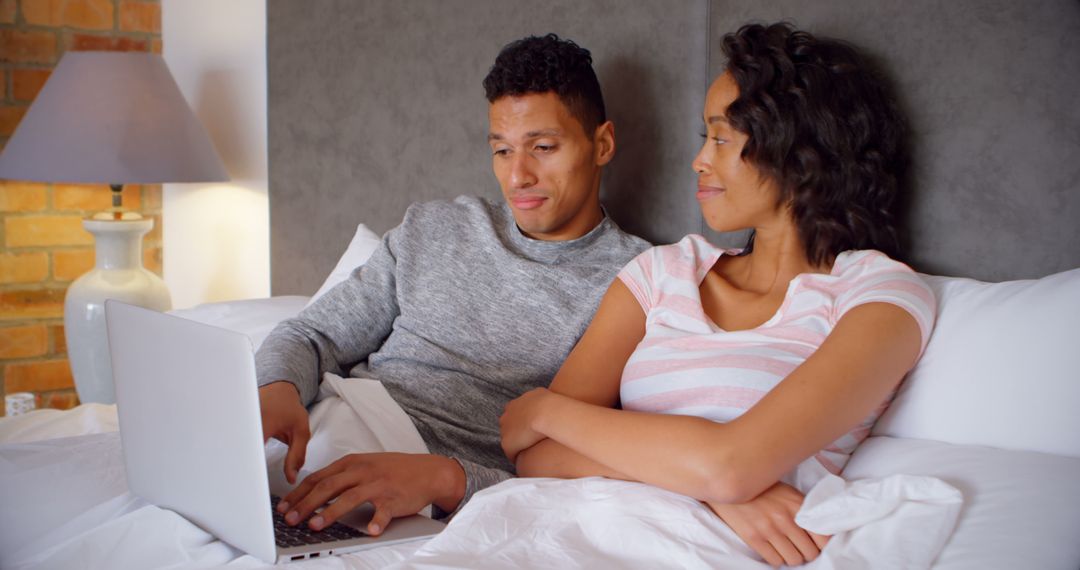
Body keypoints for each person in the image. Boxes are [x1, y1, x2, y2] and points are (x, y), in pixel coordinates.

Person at [499, 22, 935, 567]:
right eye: (704, 138)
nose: (699, 160)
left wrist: (546, 407)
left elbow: (731, 465)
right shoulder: (661, 273)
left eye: (721, 138)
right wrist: (711, 491)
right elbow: (533, 455)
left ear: (798, 154)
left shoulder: (880, 296)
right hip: (563, 534)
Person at [255, 34, 649, 536]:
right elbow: (311, 336)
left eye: (543, 148)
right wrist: (277, 389)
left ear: (603, 144)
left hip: (415, 488)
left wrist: (454, 481)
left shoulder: (636, 281)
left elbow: (581, 469)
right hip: (323, 425)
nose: (517, 176)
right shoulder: (434, 227)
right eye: (502, 150)